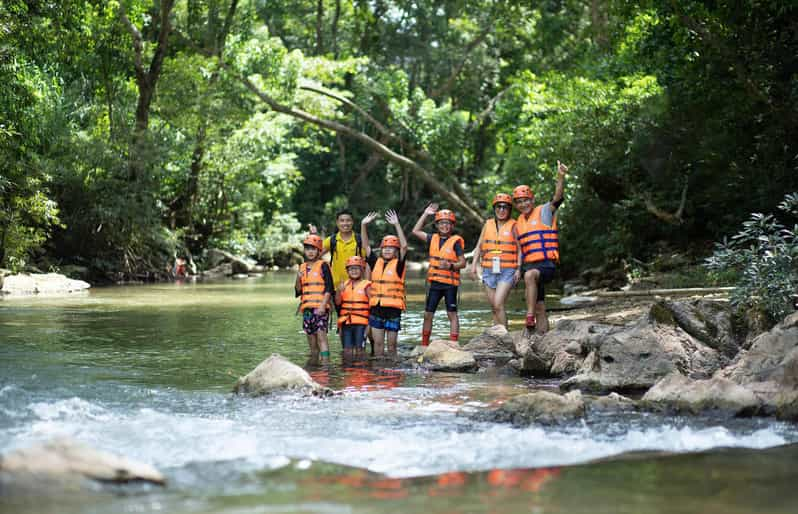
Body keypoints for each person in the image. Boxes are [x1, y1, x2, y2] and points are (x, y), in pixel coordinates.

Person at [514, 160, 569, 334]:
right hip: (530, 264)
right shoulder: (518, 222)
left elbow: (558, 198)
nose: (523, 204)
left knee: (529, 276)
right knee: (540, 306)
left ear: (532, 199)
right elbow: (520, 250)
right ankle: (542, 338)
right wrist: (516, 269)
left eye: (526, 200)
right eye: (519, 202)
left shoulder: (544, 211)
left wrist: (560, 176)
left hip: (546, 264)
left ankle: (528, 316)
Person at [412, 203, 467, 345]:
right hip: (435, 283)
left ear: (452, 226)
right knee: (428, 314)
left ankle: (454, 343)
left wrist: (450, 266)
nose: (445, 226)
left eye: (448, 223)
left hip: (450, 284)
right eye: (442, 223)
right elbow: (416, 231)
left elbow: (463, 263)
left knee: (452, 314)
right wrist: (425, 213)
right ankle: (424, 344)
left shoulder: (456, 242)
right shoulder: (432, 238)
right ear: (437, 225)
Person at [360, 210, 408, 357]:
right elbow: (365, 246)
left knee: (392, 346)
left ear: (396, 251)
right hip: (377, 309)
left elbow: (405, 246)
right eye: (385, 248)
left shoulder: (399, 265)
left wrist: (396, 224)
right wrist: (363, 225)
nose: (388, 250)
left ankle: (392, 375)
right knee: (378, 346)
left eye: (391, 248)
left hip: (393, 310)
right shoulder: (375, 262)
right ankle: (379, 374)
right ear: (382, 249)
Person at [469, 193, 521, 327]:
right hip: (489, 269)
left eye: (505, 207)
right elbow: (479, 245)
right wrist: (474, 265)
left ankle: (504, 337)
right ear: (495, 208)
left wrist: (519, 269)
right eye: (499, 207)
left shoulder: (514, 225)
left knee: (498, 304)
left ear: (509, 210)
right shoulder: (488, 224)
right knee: (494, 307)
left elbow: (521, 248)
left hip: (508, 270)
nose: (502, 210)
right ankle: (496, 333)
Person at [294, 234, 334, 362]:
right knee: (311, 338)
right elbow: (298, 290)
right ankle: (314, 364)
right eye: (308, 249)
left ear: (318, 251)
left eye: (313, 249)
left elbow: (329, 288)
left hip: (320, 307)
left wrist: (323, 305)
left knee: (321, 336)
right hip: (307, 309)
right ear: (304, 251)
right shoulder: (302, 267)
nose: (310, 252)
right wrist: (298, 277)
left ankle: (326, 366)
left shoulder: (323, 266)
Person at [309, 210, 366, 288]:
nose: (345, 223)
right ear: (337, 223)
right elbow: (314, 256)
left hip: (356, 287)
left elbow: (367, 262)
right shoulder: (331, 240)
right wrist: (313, 236)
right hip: (336, 287)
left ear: (352, 222)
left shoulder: (360, 240)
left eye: (348, 220)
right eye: (342, 221)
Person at [335, 256, 371, 361]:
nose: (354, 271)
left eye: (356, 268)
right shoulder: (344, 285)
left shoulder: (367, 285)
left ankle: (360, 371)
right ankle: (348, 371)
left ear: (362, 270)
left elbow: (372, 304)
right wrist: (339, 291)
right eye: (351, 269)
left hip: (361, 323)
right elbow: (338, 302)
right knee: (347, 350)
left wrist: (369, 324)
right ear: (347, 271)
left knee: (359, 349)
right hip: (346, 322)